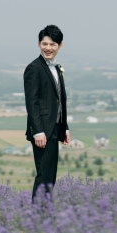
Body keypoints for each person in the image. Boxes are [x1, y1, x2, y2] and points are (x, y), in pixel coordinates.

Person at [24, 25, 70, 201]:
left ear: (60, 46)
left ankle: (45, 217)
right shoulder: (34, 68)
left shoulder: (55, 68)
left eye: (52, 44)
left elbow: (59, 101)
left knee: (50, 177)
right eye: (44, 43)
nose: (48, 48)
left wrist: (64, 127)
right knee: (43, 176)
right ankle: (37, 219)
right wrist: (38, 131)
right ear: (38, 44)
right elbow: (32, 102)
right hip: (42, 131)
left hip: (54, 129)